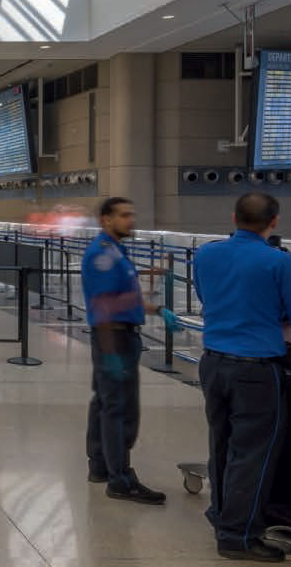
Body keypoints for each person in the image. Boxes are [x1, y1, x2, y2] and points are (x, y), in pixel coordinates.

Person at [193, 192, 291, 562]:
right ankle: (239, 536)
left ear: (233, 217)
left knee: (222, 445)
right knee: (253, 453)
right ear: (274, 222)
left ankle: (223, 515)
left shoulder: (206, 254)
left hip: (213, 363)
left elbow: (208, 298)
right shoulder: (278, 262)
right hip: (255, 370)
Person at [80, 196, 166, 506]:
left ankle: (100, 466)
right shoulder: (103, 255)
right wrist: (110, 353)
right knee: (120, 409)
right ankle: (121, 479)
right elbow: (103, 306)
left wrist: (156, 309)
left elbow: (121, 297)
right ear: (106, 220)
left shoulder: (116, 251)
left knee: (104, 402)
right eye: (124, 215)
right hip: (114, 338)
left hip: (120, 334)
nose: (131, 220)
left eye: (132, 214)